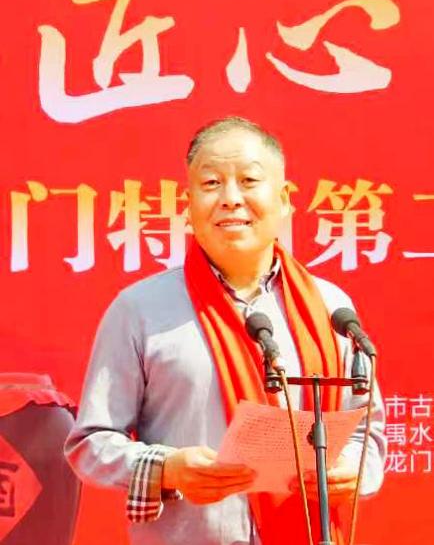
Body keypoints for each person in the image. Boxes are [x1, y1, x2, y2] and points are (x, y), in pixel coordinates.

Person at [64, 116, 386, 545]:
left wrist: (349, 472)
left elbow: (366, 430)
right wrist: (166, 468)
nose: (231, 199)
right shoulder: (140, 310)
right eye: (211, 183)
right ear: (189, 204)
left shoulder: (331, 307)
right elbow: (90, 443)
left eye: (249, 180)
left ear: (284, 199)